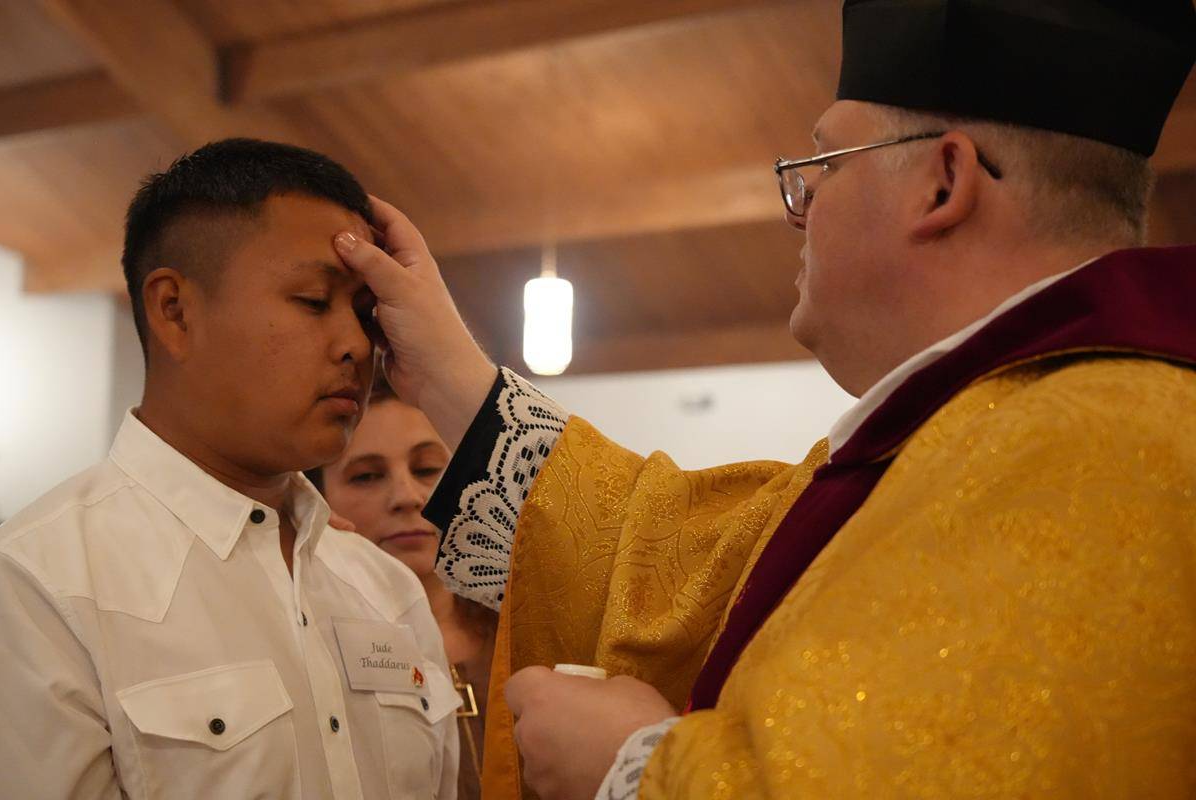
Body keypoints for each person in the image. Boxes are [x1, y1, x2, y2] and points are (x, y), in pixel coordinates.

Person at [332, 1, 1196, 798]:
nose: (800, 206)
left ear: (943, 183)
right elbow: (676, 554)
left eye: (821, 163)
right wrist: (447, 375)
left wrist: (641, 772)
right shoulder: (985, 426)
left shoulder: (1110, 450)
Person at [0, 139, 460, 799]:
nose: (358, 344)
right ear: (175, 312)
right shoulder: (41, 585)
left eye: (363, 313)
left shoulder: (384, 590)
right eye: (312, 301)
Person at [309, 377, 499, 800]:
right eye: (366, 476)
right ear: (316, 500)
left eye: (428, 469)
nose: (407, 496)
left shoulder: (528, 632)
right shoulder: (309, 652)